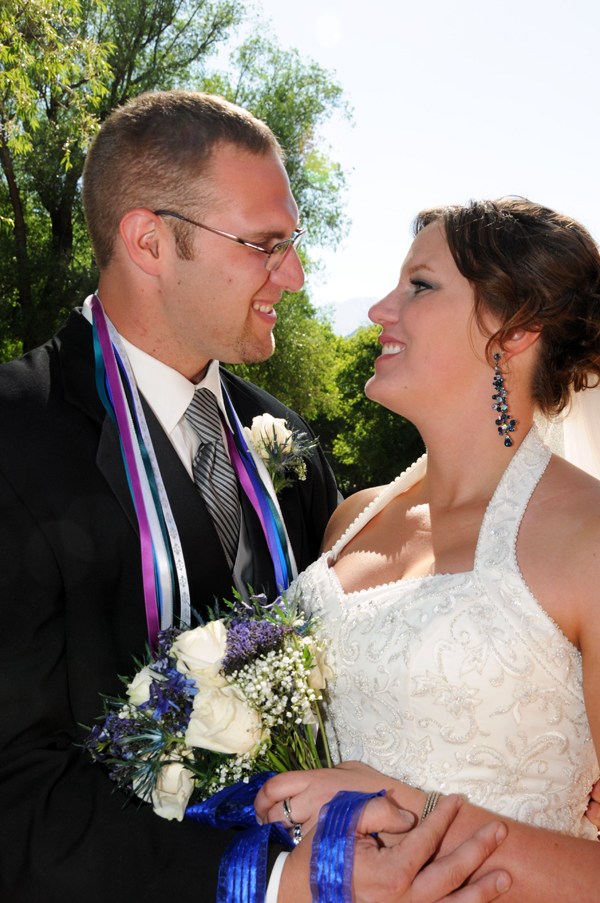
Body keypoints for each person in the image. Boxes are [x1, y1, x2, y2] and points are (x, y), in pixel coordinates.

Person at [0, 93, 512, 903]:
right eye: (264, 244)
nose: (297, 275)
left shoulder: (284, 440)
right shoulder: (13, 436)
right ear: (150, 241)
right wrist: (272, 880)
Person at [256, 198, 600, 900]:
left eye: (420, 285)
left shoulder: (587, 539)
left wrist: (417, 810)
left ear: (515, 327)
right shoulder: (350, 521)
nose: (382, 308)